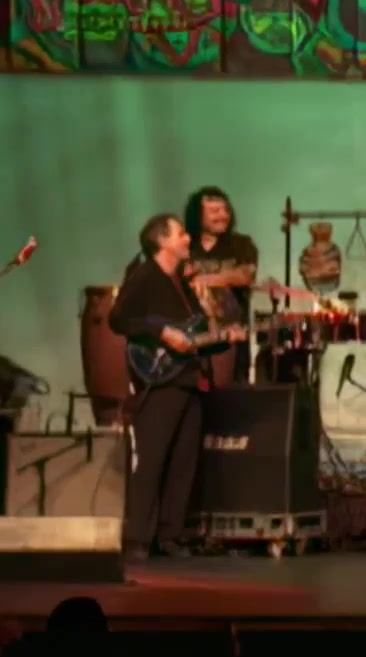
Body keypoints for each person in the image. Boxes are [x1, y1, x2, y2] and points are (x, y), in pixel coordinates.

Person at [108, 215, 238, 559]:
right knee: (152, 459)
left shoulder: (180, 284)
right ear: (162, 241)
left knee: (183, 461)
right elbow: (118, 319)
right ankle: (138, 538)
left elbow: (195, 337)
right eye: (181, 233)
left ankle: (170, 535)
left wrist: (226, 337)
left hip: (188, 379)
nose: (187, 238)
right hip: (161, 379)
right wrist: (160, 331)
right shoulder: (145, 276)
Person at [183, 187, 258, 384]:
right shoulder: (184, 246)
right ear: (197, 215)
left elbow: (245, 276)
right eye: (214, 211)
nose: (223, 216)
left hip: (232, 339)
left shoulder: (241, 244)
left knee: (230, 394)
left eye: (226, 210)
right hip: (191, 340)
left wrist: (203, 280)